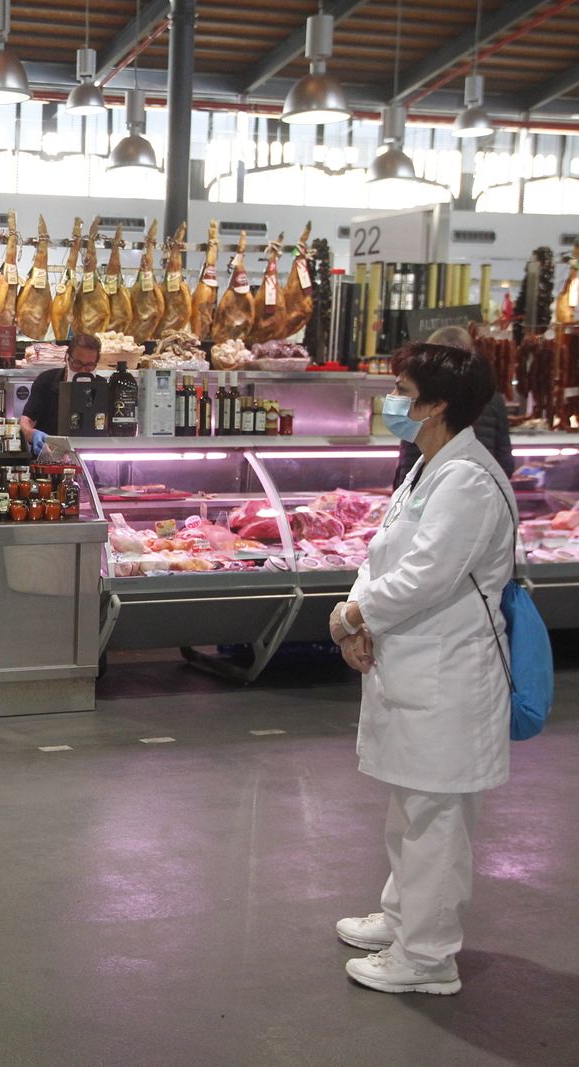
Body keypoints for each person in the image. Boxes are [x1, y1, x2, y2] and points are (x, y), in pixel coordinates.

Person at [328, 342, 516, 997]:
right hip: (409, 665)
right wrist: (356, 608)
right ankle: (402, 916)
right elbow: (382, 554)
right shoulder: (429, 467)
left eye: (402, 391)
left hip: (450, 674)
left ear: (435, 405)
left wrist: (353, 616)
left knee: (437, 815)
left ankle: (428, 956)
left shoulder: (468, 480)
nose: (393, 403)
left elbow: (423, 578)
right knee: (410, 805)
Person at [393, 326, 513, 487]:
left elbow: (408, 463)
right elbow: (505, 463)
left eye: (401, 390)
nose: (393, 397)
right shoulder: (493, 398)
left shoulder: (427, 399)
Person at [19, 333, 101, 453]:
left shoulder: (102, 386)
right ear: (67, 359)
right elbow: (26, 421)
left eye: (89, 365)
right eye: (77, 364)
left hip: (87, 457)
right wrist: (33, 434)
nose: (83, 370)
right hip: (49, 457)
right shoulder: (47, 380)